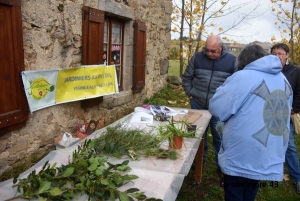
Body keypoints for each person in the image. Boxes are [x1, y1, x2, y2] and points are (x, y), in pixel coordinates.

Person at [209, 44, 292, 201]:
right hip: (267, 147)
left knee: (234, 192)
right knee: (251, 186)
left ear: (243, 61)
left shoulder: (243, 77)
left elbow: (218, 107)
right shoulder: (283, 79)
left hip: (242, 150)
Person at [181, 35, 237, 170]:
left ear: (221, 47)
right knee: (196, 134)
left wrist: (228, 101)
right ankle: (198, 161)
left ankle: (222, 165)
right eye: (207, 50)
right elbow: (187, 77)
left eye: (213, 51)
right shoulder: (197, 58)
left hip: (219, 107)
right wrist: (190, 92)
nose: (209, 53)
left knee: (220, 137)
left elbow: (236, 84)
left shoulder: (232, 61)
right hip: (197, 103)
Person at [271, 43, 300, 193]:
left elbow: (299, 93)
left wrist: (293, 109)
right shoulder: (268, 71)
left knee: (289, 147)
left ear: (287, 55)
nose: (277, 56)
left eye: (280, 53)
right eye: (274, 53)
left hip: (285, 115)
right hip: (269, 114)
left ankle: (297, 177)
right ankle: (270, 172)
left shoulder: (295, 71)